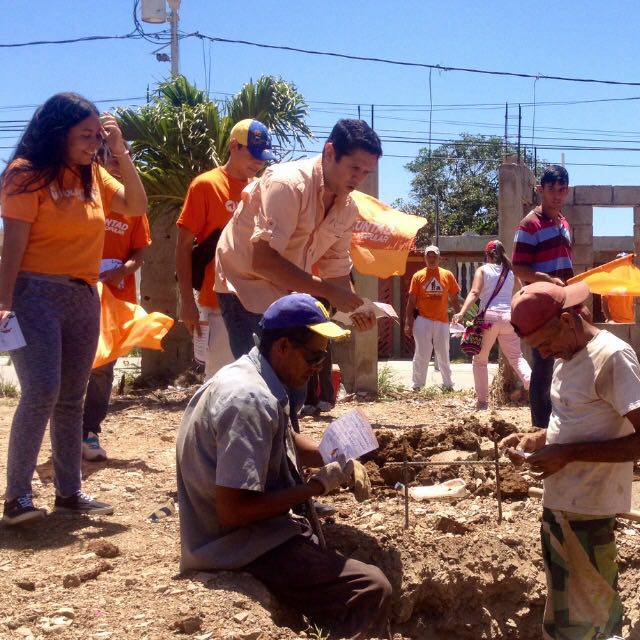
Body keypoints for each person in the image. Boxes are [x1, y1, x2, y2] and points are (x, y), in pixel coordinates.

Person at [176, 293, 392, 639]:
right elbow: (234, 511)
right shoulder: (249, 401)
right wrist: (315, 487)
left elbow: (284, 438)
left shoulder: (254, 377)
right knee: (371, 588)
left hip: (246, 532)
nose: (319, 366)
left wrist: (336, 455)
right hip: (235, 545)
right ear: (283, 347)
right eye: (314, 355)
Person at [0, 93, 148, 525]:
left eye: (98, 135)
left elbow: (136, 206)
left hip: (83, 295)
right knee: (42, 391)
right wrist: (3, 302)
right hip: (34, 293)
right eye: (86, 135)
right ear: (58, 132)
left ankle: (69, 492)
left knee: (72, 399)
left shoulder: (94, 175)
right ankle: (17, 497)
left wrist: (120, 151)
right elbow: (13, 247)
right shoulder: (25, 174)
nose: (94, 143)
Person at [503, 280, 640, 639]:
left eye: (545, 343)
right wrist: (537, 439)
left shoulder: (612, 357)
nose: (545, 354)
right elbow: (573, 421)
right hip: (560, 508)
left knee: (593, 622)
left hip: (590, 514)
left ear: (567, 320)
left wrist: (568, 453)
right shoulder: (568, 353)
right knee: (565, 618)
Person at [214, 118, 382, 360]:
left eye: (366, 172)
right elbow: (263, 262)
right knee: (259, 374)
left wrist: (357, 307)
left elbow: (335, 271)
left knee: (298, 373)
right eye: (354, 168)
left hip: (286, 286)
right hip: (243, 283)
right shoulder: (288, 184)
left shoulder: (348, 209)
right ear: (330, 152)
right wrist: (331, 293)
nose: (359, 179)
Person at [176, 119, 276, 379]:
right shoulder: (206, 185)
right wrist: (187, 301)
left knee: (256, 383)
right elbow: (184, 246)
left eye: (263, 157)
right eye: (253, 155)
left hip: (258, 301)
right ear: (234, 146)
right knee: (221, 383)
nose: (258, 163)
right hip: (217, 303)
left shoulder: (264, 188)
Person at [81, 145, 152, 461]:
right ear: (99, 161)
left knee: (103, 367)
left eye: (127, 161)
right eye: (113, 159)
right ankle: (68, 431)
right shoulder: (86, 196)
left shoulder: (133, 205)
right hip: (79, 293)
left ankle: (89, 432)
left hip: (115, 301)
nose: (121, 167)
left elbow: (140, 251)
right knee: (73, 365)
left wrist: (122, 270)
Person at [512, 165, 572, 430]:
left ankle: (561, 425)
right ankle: (540, 430)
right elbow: (519, 268)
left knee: (567, 364)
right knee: (544, 367)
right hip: (541, 311)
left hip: (566, 305)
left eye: (561, 190)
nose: (556, 196)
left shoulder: (565, 223)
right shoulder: (530, 224)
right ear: (540, 190)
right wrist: (547, 282)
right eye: (551, 190)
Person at [452, 240, 531, 410]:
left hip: (488, 318)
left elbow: (474, 292)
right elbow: (522, 293)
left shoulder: (483, 270)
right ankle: (533, 385)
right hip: (509, 318)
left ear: (487, 255)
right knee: (517, 358)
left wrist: (462, 312)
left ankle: (482, 402)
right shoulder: (511, 271)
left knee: (480, 361)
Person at [404, 245, 461, 391]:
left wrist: (458, 314)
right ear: (424, 258)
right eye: (428, 256)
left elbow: (454, 298)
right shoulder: (418, 276)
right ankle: (417, 384)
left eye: (434, 256)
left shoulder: (447, 275)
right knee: (422, 353)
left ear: (439, 258)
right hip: (423, 320)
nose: (431, 259)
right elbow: (411, 301)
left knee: (443, 352)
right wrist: (408, 323)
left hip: (442, 321)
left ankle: (448, 384)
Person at [602, 252, 634, 324]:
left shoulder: (632, 280)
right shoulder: (610, 280)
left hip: (631, 322)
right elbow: (604, 301)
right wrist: (610, 319)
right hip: (615, 322)